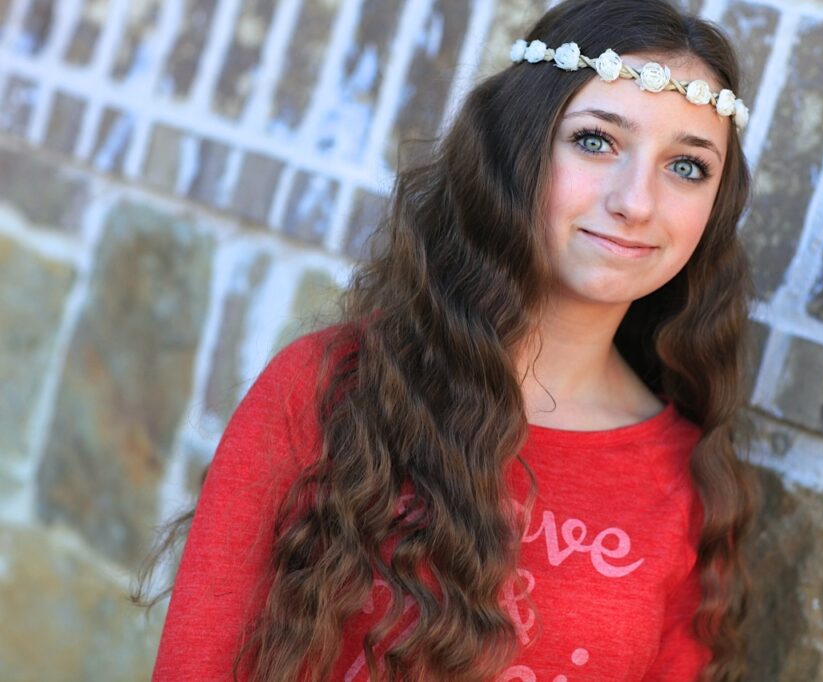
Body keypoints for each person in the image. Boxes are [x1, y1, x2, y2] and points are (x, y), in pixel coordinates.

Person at [141, 0, 756, 679]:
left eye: (688, 166)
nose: (636, 201)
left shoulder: (683, 478)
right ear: (515, 152)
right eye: (594, 140)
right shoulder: (331, 386)